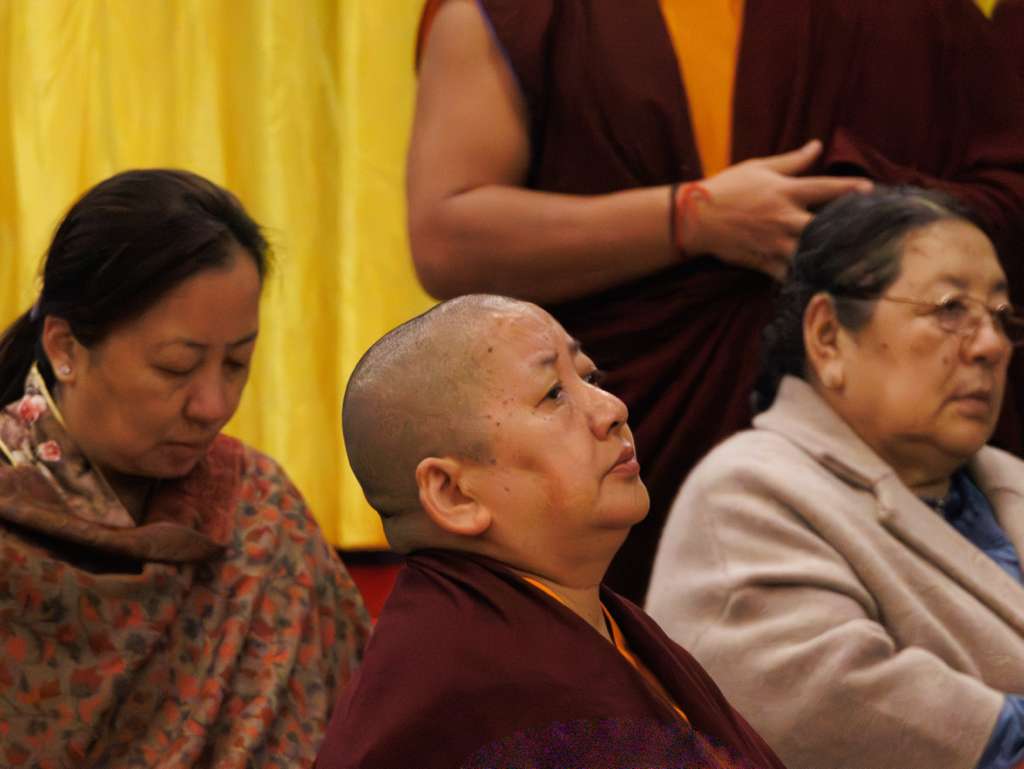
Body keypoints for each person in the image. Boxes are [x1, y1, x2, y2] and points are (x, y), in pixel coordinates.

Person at [408, 0, 1024, 603]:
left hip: (880, 448)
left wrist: (863, 215)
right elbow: (447, 236)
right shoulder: (526, 15)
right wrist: (691, 220)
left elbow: (1004, 205)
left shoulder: (919, 17)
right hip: (629, 427)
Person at [315, 294, 786, 769]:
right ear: (454, 494)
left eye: (590, 378)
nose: (613, 409)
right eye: (554, 395)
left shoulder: (597, 624)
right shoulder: (470, 694)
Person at [0, 170, 370, 769]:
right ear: (65, 348)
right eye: (176, 367)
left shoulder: (258, 511)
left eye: (237, 364)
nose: (214, 406)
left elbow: (369, 723)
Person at [646, 187, 1024, 769]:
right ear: (827, 336)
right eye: (951, 309)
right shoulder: (749, 488)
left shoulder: (1009, 480)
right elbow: (829, 707)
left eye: (1000, 316)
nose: (992, 345)